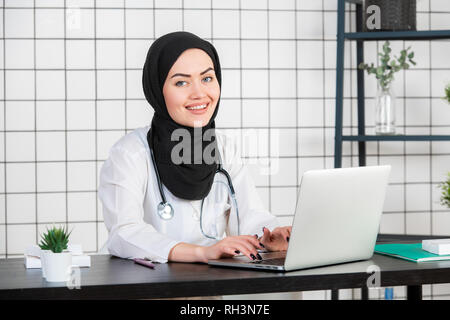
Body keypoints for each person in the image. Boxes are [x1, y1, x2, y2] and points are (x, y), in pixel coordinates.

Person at [98, 31, 292, 264]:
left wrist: (268, 236)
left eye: (207, 78)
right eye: (181, 82)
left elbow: (249, 216)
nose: (199, 93)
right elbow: (124, 233)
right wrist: (201, 252)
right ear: (157, 89)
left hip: (207, 288)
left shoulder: (223, 148)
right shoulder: (130, 153)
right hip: (147, 289)